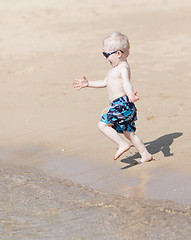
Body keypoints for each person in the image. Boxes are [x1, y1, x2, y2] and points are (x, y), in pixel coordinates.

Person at [73, 32, 152, 163]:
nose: (105, 58)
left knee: (102, 125)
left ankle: (122, 144)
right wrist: (88, 84)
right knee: (129, 133)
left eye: (106, 54)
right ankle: (145, 154)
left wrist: (130, 93)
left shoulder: (123, 68)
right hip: (122, 105)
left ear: (119, 54)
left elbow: (126, 83)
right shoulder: (114, 69)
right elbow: (104, 83)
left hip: (122, 104)